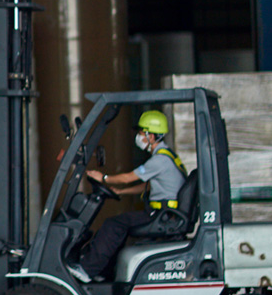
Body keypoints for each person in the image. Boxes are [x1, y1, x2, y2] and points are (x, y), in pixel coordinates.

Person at [67, 110, 186, 283]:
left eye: (141, 133)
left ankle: (88, 269)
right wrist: (121, 192)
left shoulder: (159, 160)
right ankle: (104, 272)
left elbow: (128, 178)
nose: (138, 137)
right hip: (164, 214)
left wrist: (103, 178)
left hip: (162, 215)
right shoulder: (167, 157)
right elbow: (149, 185)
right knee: (120, 225)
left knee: (113, 224)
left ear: (151, 136)